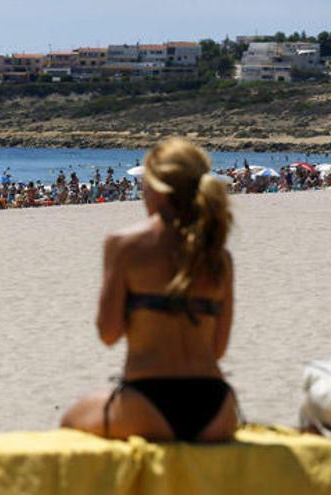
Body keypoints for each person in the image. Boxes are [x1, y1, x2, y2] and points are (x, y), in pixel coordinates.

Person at [61, 139, 238, 443]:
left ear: (156, 187)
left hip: (147, 402)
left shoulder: (125, 245)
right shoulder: (219, 256)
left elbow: (108, 333)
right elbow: (218, 349)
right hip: (216, 404)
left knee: (70, 422)